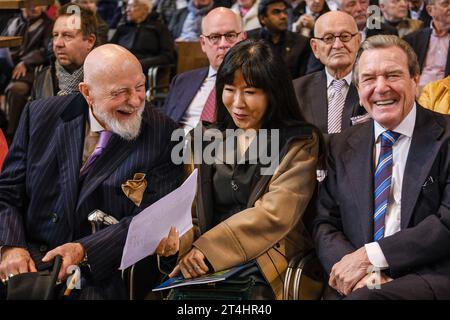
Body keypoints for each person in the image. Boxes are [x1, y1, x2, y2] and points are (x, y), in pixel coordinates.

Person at [0, 44, 182, 299]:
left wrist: (84, 250)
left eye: (140, 87)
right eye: (120, 92)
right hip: (28, 257)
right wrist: (10, 247)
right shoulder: (40, 116)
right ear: (87, 92)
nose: (136, 100)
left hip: (98, 271)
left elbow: (152, 218)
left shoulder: (164, 134)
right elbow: (7, 193)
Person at [158, 39, 320, 300]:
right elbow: (191, 214)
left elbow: (273, 215)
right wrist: (179, 246)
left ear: (273, 93)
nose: (237, 103)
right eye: (230, 89)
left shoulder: (298, 142)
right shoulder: (205, 139)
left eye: (251, 91)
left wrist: (206, 250)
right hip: (203, 262)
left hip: (266, 261)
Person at [314, 35, 450, 299]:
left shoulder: (446, 135)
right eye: (368, 79)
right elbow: (323, 223)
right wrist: (359, 270)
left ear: (415, 79)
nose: (381, 88)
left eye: (393, 75)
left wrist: (371, 256)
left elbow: (447, 223)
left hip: (430, 275)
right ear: (358, 87)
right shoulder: (340, 146)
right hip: (358, 281)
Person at [163, 7, 247, 132]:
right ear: (203, 43)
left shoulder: (255, 83)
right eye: (214, 37)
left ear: (243, 38)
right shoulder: (182, 80)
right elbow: (163, 123)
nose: (223, 44)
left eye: (230, 35)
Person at [293, 11, 365, 136]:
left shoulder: (373, 87)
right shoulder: (296, 90)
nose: (337, 45)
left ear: (358, 41)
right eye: (328, 38)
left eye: (345, 36)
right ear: (315, 47)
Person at [1, 4, 53, 142]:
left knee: (16, 90)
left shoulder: (49, 24)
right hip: (7, 68)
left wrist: (25, 62)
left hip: (31, 71)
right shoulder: (13, 22)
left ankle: (12, 136)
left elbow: (47, 50)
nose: (35, 6)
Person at [31, 4, 97, 99]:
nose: (57, 43)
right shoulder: (43, 77)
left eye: (67, 36)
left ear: (90, 41)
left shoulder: (105, 79)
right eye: (55, 35)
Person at [247, 0, 311, 79]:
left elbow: (304, 80)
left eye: (284, 11)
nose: (283, 16)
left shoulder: (301, 43)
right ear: (262, 18)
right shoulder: (249, 39)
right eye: (276, 12)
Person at [111, 0, 176, 75]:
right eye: (127, 6)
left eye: (133, 6)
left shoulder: (159, 28)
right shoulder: (122, 27)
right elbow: (110, 49)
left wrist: (141, 63)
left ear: (145, 9)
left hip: (145, 69)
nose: (127, 10)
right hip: (120, 66)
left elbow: (167, 56)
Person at [404, 0, 450, 89]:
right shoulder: (413, 39)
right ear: (430, 10)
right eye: (445, 4)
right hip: (418, 90)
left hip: (446, 92)